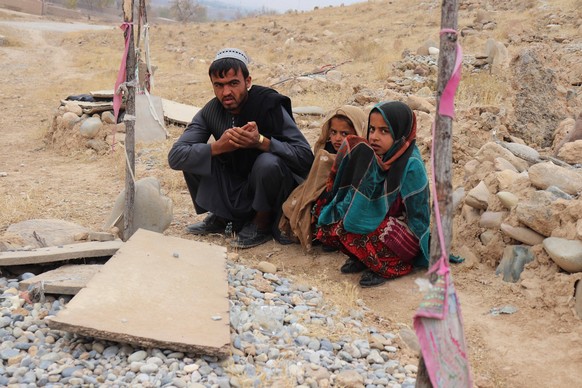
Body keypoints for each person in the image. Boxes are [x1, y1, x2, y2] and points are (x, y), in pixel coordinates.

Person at [168, 48, 314, 248]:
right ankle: (223, 217)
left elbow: (305, 156)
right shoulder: (210, 112)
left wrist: (262, 142)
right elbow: (176, 156)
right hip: (238, 185)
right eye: (218, 85)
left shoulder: (269, 104)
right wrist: (218, 147)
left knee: (268, 163)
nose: (226, 92)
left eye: (233, 83)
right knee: (197, 155)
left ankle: (261, 223)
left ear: (248, 82)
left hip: (273, 190)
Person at [313, 101, 430, 287]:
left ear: (401, 133)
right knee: (337, 213)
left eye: (384, 131)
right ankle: (364, 258)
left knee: (364, 224)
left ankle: (391, 266)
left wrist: (417, 252)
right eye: (372, 129)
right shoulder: (375, 158)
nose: (374, 137)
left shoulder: (411, 165)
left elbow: (418, 218)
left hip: (402, 234)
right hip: (378, 218)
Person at [279, 105, 367, 250]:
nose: (337, 138)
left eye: (344, 133)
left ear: (359, 132)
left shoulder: (363, 156)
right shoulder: (324, 154)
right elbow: (314, 184)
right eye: (333, 132)